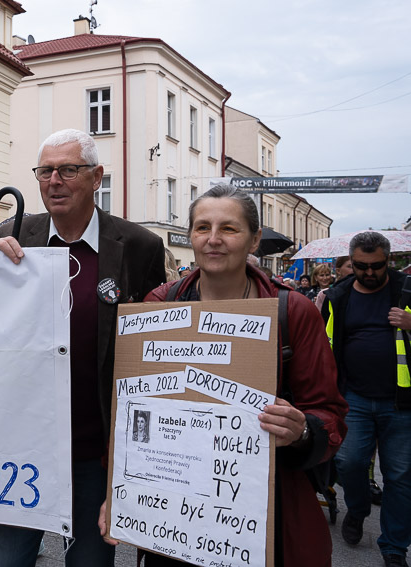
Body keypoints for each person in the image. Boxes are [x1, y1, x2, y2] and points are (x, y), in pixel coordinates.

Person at [102, 184, 348, 566]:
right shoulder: (157, 306)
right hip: (171, 515)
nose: (213, 240)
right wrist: (118, 491)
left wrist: (301, 430)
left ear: (254, 240)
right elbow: (133, 409)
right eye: (202, 228)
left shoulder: (293, 312)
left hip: (259, 513)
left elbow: (329, 413)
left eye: (229, 229)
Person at [0, 128, 166, 567]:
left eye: (68, 169)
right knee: (6, 562)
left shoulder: (140, 247)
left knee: (89, 561)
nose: (54, 180)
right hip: (22, 443)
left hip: (95, 444)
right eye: (46, 171)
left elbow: (154, 347)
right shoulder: (8, 237)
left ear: (96, 177)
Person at [322, 231, 411, 567]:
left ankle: (394, 547)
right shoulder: (338, 296)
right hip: (353, 399)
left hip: (401, 402)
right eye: (361, 266)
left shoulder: (406, 289)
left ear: (388, 260)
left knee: (400, 476)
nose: (369, 273)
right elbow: (324, 345)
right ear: (351, 262)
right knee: (348, 463)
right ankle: (357, 510)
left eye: (376, 266)